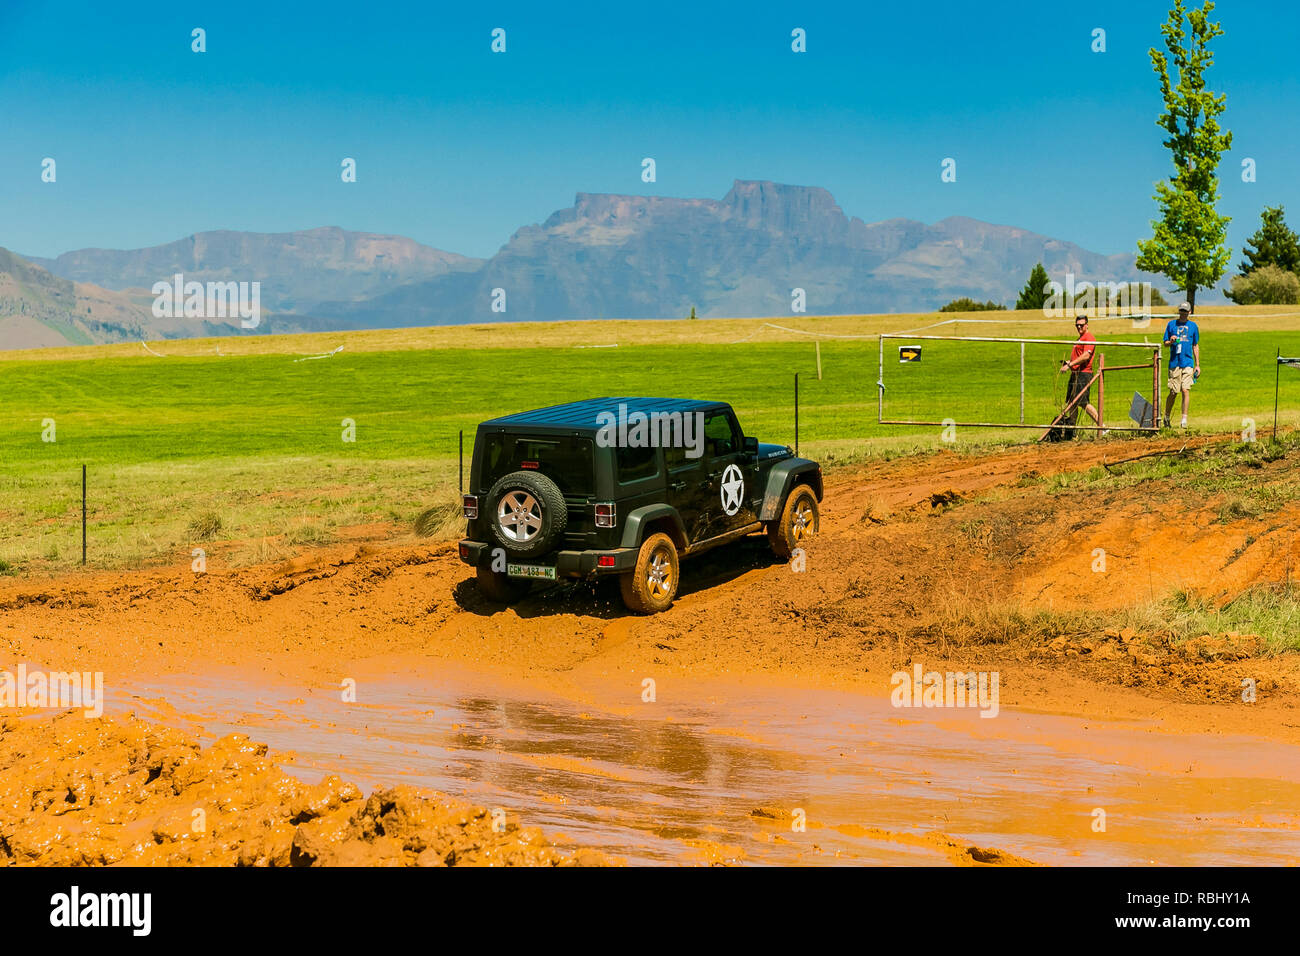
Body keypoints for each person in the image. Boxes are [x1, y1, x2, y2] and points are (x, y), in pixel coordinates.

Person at [1059, 314, 1100, 433]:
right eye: (1077, 325)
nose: (1079, 327)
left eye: (1081, 325)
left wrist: (1070, 365)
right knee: (1072, 402)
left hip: (1084, 373)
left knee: (1082, 402)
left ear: (1087, 325)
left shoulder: (1089, 338)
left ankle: (1102, 426)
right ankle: (1072, 430)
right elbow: (1078, 357)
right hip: (1075, 373)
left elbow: (1086, 356)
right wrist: (1068, 362)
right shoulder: (1079, 339)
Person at [1162, 302, 1201, 428]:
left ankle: (1184, 419)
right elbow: (1165, 343)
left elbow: (1195, 345)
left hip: (1188, 363)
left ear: (1190, 312)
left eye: (1185, 311)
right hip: (1175, 363)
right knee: (1173, 392)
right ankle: (1166, 417)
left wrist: (1197, 365)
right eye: (1181, 311)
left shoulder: (1193, 326)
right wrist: (1171, 341)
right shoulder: (1171, 324)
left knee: (1185, 389)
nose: (1183, 313)